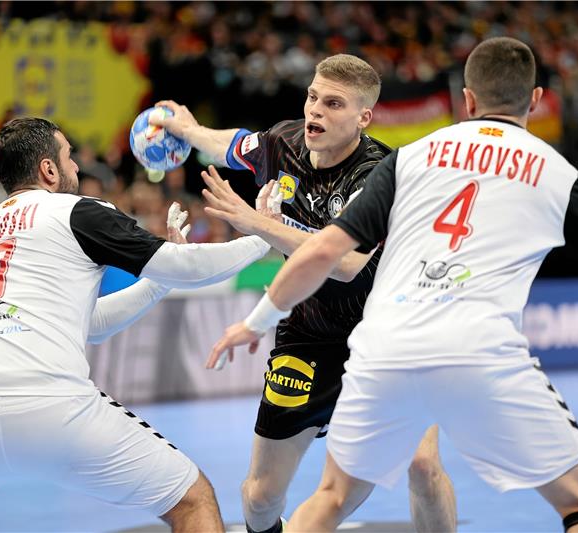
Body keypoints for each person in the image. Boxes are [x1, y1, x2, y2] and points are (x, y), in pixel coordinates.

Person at [208, 37, 578, 532]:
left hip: (387, 341)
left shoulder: (409, 158)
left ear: (467, 100)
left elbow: (326, 252)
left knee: (332, 497)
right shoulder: (558, 175)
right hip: (480, 346)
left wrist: (256, 320)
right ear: (535, 100)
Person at [0, 117, 277, 533]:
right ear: (49, 170)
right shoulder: (78, 211)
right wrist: (265, 234)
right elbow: (191, 267)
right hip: (48, 404)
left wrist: (157, 283)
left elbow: (89, 325)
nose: (76, 169)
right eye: (70, 157)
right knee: (192, 499)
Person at [153, 53, 456, 533]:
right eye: (313, 96)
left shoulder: (379, 172)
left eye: (333, 103)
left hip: (385, 336)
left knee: (422, 464)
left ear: (363, 117)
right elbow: (230, 145)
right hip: (307, 336)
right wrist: (189, 131)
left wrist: (254, 223)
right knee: (258, 498)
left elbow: (347, 263)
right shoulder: (284, 142)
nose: (315, 109)